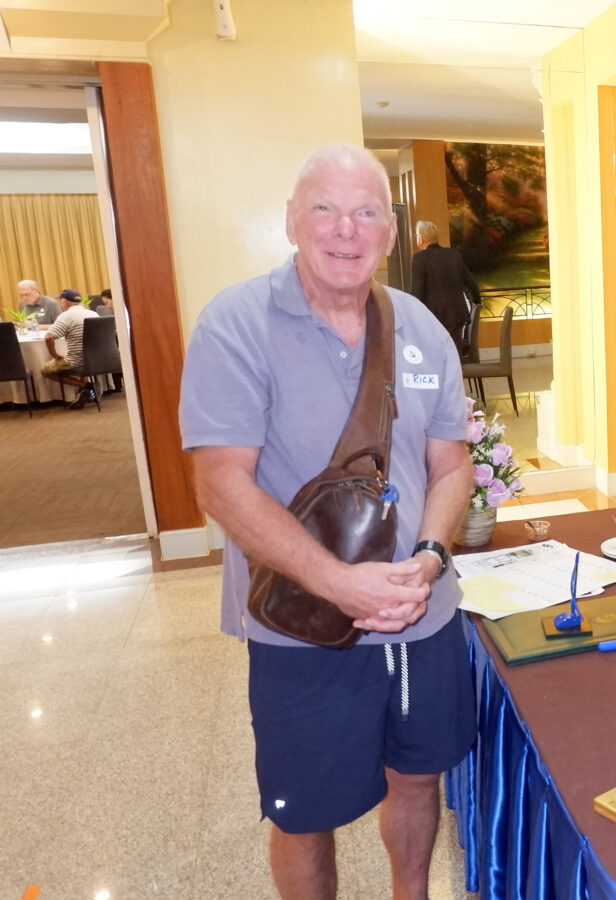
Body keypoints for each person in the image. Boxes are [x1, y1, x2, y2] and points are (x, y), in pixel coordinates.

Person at [179, 144, 477, 900]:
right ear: (291, 221)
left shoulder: (421, 327)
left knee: (418, 778)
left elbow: (453, 465)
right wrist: (340, 583)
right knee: (306, 814)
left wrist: (430, 557)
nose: (346, 230)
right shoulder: (236, 324)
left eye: (366, 212)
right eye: (325, 209)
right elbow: (220, 484)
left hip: (421, 615)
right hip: (302, 626)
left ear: (390, 232)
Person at [409, 220, 480, 356]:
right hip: (456, 315)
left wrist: (413, 316)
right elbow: (471, 283)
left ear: (421, 238)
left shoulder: (420, 258)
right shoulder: (454, 255)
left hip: (432, 318)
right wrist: (477, 301)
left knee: (435, 357)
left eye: (416, 235)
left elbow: (417, 292)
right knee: (454, 355)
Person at [43, 289, 99, 409]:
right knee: (79, 355)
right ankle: (83, 390)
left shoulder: (66, 316)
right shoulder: (93, 313)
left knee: (45, 370)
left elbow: (49, 337)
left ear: (64, 301)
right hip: (96, 359)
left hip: (76, 361)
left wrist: (55, 355)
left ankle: (85, 386)